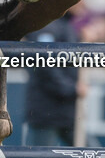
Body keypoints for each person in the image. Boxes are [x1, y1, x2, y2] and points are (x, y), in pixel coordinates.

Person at [23, 10, 85, 146]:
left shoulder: (65, 24)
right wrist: (71, 88)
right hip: (46, 111)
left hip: (65, 111)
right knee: (38, 155)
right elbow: (43, 64)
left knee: (90, 152)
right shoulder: (46, 24)